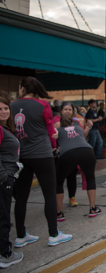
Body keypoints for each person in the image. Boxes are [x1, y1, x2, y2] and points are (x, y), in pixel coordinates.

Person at [11, 77, 72, 247]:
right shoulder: (43, 105)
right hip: (42, 154)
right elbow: (50, 130)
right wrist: (54, 147)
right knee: (49, 193)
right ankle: (53, 234)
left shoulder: (12, 105)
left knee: (21, 196)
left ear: (23, 88)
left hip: (21, 154)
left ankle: (21, 235)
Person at [56, 114, 101, 219]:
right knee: (90, 178)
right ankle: (92, 208)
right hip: (86, 151)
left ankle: (59, 212)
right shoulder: (78, 128)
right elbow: (84, 137)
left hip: (67, 153)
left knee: (58, 182)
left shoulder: (58, 131)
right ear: (72, 122)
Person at [53, 102, 92, 208]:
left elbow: (82, 135)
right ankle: (58, 205)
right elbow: (57, 132)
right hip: (60, 152)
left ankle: (72, 198)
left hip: (72, 151)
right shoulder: (56, 120)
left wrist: (88, 128)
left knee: (72, 176)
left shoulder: (76, 122)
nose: (67, 111)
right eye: (65, 109)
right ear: (61, 111)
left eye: (70, 110)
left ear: (73, 111)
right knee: (59, 179)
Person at [0, 95, 24, 268]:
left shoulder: (4, 128)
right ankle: (5, 254)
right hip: (4, 179)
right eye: (0, 109)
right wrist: (4, 177)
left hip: (7, 176)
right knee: (3, 216)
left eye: (6, 108)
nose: (3, 111)